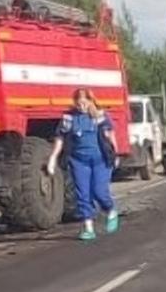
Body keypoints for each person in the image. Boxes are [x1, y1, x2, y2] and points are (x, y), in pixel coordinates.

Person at [45, 88, 119, 242]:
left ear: (91, 101)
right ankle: (88, 227)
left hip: (101, 160)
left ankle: (110, 210)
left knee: (99, 192)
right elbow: (60, 138)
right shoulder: (69, 118)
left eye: (85, 103)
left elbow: (110, 137)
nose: (82, 107)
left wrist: (115, 154)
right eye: (79, 104)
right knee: (83, 194)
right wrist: (53, 158)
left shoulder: (100, 116)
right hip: (79, 161)